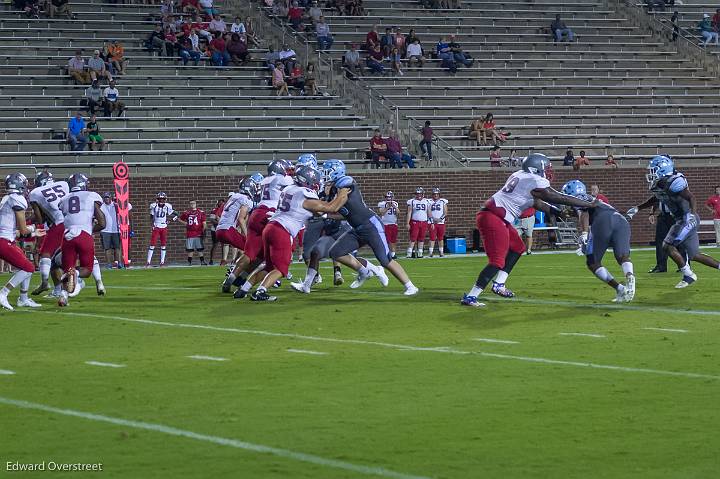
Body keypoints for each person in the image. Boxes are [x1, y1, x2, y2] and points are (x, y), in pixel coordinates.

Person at [460, 153, 595, 307]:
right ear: (536, 168)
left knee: (518, 247)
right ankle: (471, 296)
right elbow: (556, 197)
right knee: (497, 261)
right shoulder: (534, 179)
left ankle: (499, 284)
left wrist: (558, 212)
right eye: (547, 168)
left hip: (496, 216)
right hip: (493, 218)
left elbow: (536, 203)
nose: (549, 171)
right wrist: (587, 204)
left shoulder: (520, 175)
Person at [239, 167, 348, 301]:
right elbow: (331, 207)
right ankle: (260, 292)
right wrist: (343, 193)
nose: (316, 184)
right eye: (314, 181)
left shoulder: (288, 189)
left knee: (269, 266)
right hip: (282, 230)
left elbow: (321, 213)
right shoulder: (306, 196)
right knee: (281, 269)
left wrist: (339, 216)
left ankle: (243, 289)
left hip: (270, 227)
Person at [627, 155, 720, 288]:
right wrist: (637, 208)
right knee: (694, 255)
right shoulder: (659, 184)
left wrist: (692, 215)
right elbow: (656, 198)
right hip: (680, 219)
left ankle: (688, 274)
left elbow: (691, 197)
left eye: (653, 169)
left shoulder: (674, 181)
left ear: (663, 169)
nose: (651, 173)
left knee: (667, 245)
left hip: (687, 218)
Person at [562, 180, 636, 303]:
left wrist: (584, 233)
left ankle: (620, 288)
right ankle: (629, 275)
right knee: (623, 256)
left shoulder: (578, 199)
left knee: (592, 262)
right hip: (621, 220)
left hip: (604, 221)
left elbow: (584, 211)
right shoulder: (594, 198)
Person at [231, 160, 294, 299]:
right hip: (271, 215)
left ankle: (240, 283)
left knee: (259, 255)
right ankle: (269, 282)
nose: (289, 172)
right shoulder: (282, 179)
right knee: (279, 258)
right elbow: (297, 186)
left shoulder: (265, 180)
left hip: (257, 213)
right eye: (287, 169)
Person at [56, 173, 106, 307]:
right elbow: (102, 223)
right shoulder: (91, 195)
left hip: (67, 236)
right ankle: (76, 273)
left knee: (67, 270)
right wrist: (89, 229)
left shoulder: (64, 199)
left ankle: (63, 296)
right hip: (84, 234)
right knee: (86, 269)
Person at [0, 173, 43, 310]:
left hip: (6, 239)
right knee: (29, 268)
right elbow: (23, 230)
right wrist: (32, 229)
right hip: (4, 241)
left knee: (25, 265)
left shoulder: (6, 198)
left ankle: (23, 298)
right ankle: (3, 293)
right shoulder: (17, 199)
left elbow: (14, 231)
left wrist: (32, 232)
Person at [218, 177, 262, 291]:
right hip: (228, 230)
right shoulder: (245, 199)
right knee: (254, 252)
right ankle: (233, 275)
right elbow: (241, 219)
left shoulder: (233, 196)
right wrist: (248, 237)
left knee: (246, 252)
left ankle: (233, 274)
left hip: (220, 229)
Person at [99, 192, 131, 269]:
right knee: (107, 248)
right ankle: (109, 264)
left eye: (108, 197)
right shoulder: (101, 207)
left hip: (116, 229)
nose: (106, 199)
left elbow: (125, 210)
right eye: (105, 198)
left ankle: (119, 263)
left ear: (110, 198)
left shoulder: (116, 205)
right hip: (105, 230)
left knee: (117, 247)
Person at [146, 192, 178, 267]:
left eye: (163, 199)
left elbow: (177, 214)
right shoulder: (154, 206)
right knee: (152, 244)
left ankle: (162, 262)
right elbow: (151, 217)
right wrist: (152, 225)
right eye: (160, 199)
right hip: (156, 226)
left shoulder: (167, 206)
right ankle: (148, 262)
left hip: (164, 226)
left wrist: (170, 220)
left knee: (163, 245)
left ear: (165, 199)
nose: (161, 200)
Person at [178, 200, 207, 266]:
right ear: (189, 204)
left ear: (196, 204)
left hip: (198, 232)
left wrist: (204, 230)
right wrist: (185, 223)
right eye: (191, 203)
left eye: (193, 203)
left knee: (200, 248)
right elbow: (179, 219)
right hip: (190, 232)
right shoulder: (186, 212)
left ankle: (202, 261)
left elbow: (204, 222)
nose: (192, 204)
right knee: (190, 249)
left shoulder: (201, 212)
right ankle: (189, 262)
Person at [648, 200, 673, 273]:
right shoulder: (658, 189)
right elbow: (656, 200)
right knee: (660, 241)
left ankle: (684, 265)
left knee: (679, 241)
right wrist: (651, 213)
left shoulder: (677, 188)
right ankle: (661, 266)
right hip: (663, 215)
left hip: (675, 215)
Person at [406, 187, 430, 258]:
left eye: (420, 194)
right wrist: (407, 223)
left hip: (424, 222)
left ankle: (420, 252)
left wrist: (431, 222)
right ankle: (409, 252)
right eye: (417, 194)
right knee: (413, 237)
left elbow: (428, 212)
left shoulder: (427, 201)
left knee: (421, 238)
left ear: (423, 194)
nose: (419, 195)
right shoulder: (412, 201)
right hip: (415, 222)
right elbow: (409, 212)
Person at [378, 191, 399, 259]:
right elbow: (382, 213)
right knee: (386, 240)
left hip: (393, 224)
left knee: (393, 240)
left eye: (390, 197)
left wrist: (394, 207)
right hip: (385, 224)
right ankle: (386, 253)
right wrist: (388, 207)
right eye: (387, 197)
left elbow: (398, 213)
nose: (389, 198)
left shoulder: (395, 203)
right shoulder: (382, 204)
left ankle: (393, 254)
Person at [428, 188, 448, 257]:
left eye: (437, 194)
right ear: (432, 195)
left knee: (440, 238)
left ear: (439, 194)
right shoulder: (429, 201)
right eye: (434, 194)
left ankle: (441, 252)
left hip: (441, 222)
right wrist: (433, 219)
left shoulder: (443, 201)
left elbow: (445, 212)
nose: (435, 195)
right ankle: (430, 252)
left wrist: (440, 219)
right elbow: (428, 211)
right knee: (432, 237)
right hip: (432, 222)